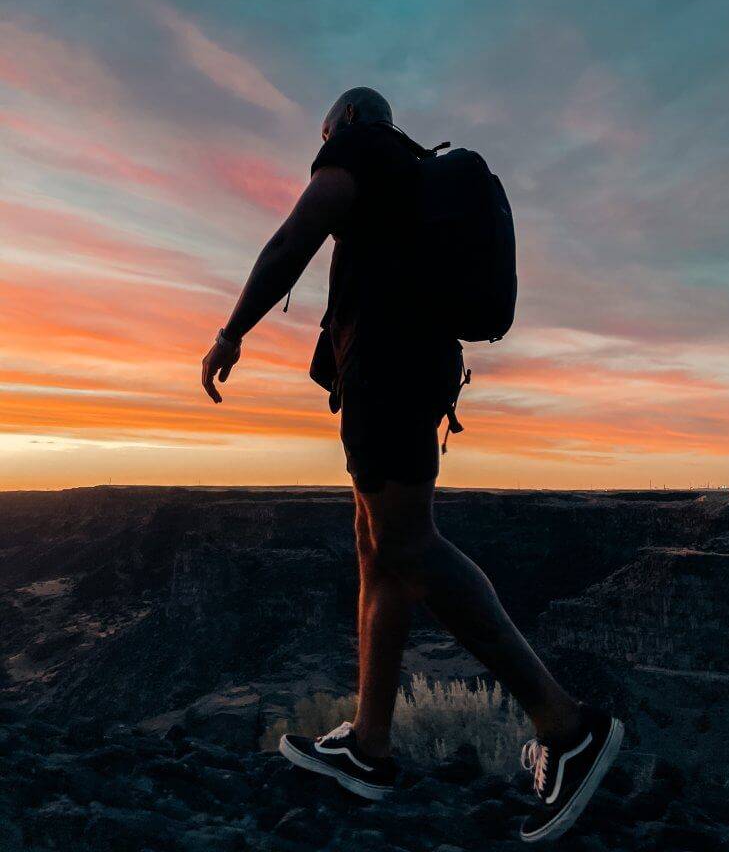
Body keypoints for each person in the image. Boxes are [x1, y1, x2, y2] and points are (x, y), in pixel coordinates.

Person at [201, 87, 624, 843]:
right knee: (377, 549)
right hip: (409, 370)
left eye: (321, 138)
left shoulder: (363, 147)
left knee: (406, 543)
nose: (320, 151)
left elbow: (297, 233)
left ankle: (567, 727)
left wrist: (233, 329)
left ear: (341, 125)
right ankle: (368, 745)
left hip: (391, 371)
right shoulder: (409, 177)